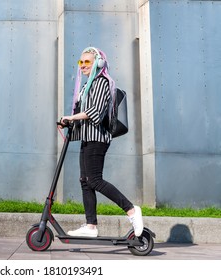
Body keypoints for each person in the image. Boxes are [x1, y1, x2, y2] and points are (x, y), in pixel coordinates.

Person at [59, 46, 143, 237]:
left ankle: (131, 210)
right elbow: (82, 113)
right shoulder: (87, 86)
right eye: (81, 62)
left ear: (99, 63)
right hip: (87, 138)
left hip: (97, 139)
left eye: (87, 62)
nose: (83, 66)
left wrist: (72, 118)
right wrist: (67, 122)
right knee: (85, 181)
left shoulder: (103, 82)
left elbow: (95, 112)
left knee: (95, 180)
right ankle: (90, 226)